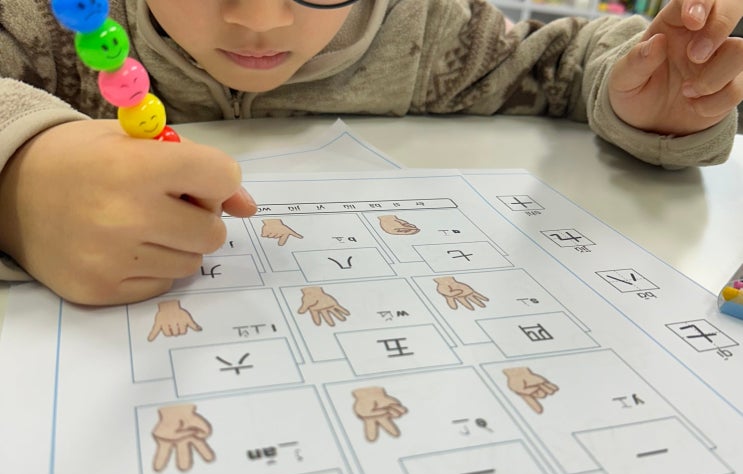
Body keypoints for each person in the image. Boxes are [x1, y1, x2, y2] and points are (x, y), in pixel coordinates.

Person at [0, 0, 741, 305]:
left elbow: (560, 62)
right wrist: (19, 179)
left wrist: (639, 97)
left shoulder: (430, 36)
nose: (260, 19)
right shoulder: (49, 25)